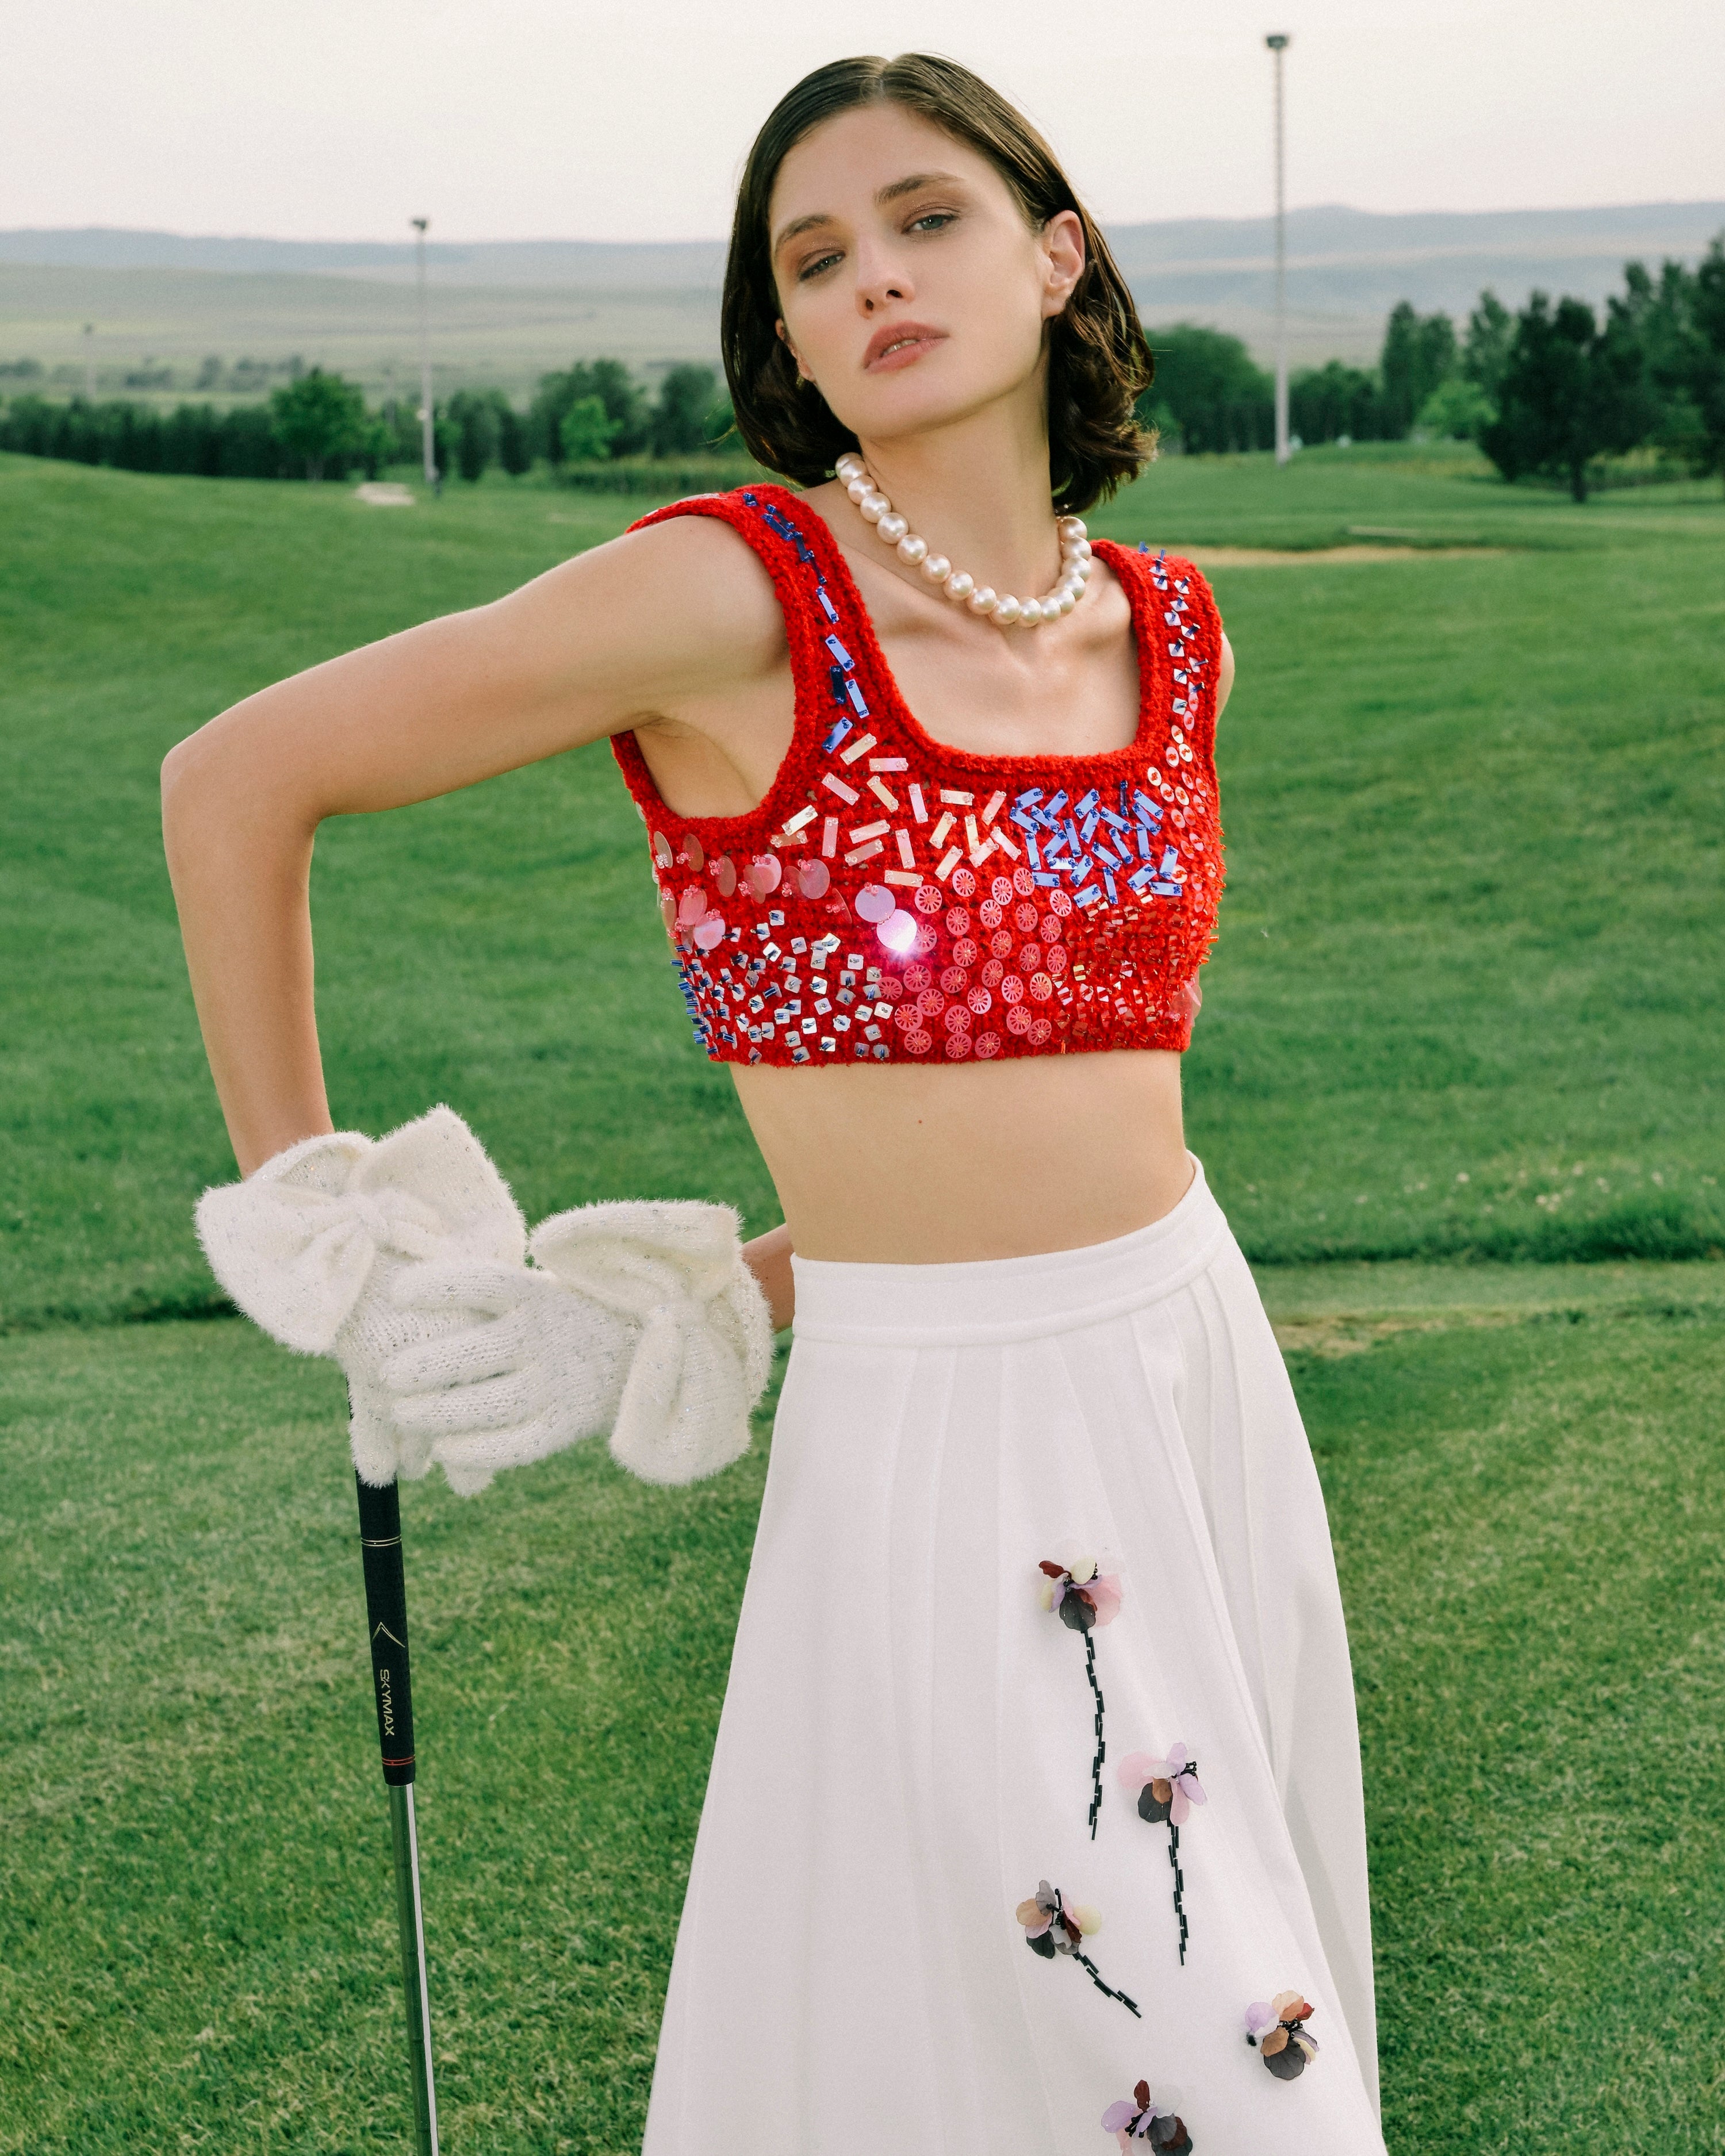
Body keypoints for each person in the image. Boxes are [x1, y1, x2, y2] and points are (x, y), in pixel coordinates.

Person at [163, 52, 1386, 2156]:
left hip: (1194, 1369)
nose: (875, 282)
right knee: (1212, 2078)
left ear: (1055, 253)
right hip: (941, 1454)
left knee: (1180, 2025)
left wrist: (716, 1294)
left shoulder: (1175, 636)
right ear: (790, 334)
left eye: (929, 221)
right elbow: (236, 784)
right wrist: (327, 1231)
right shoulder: (733, 595)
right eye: (815, 260)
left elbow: (1028, 1124)